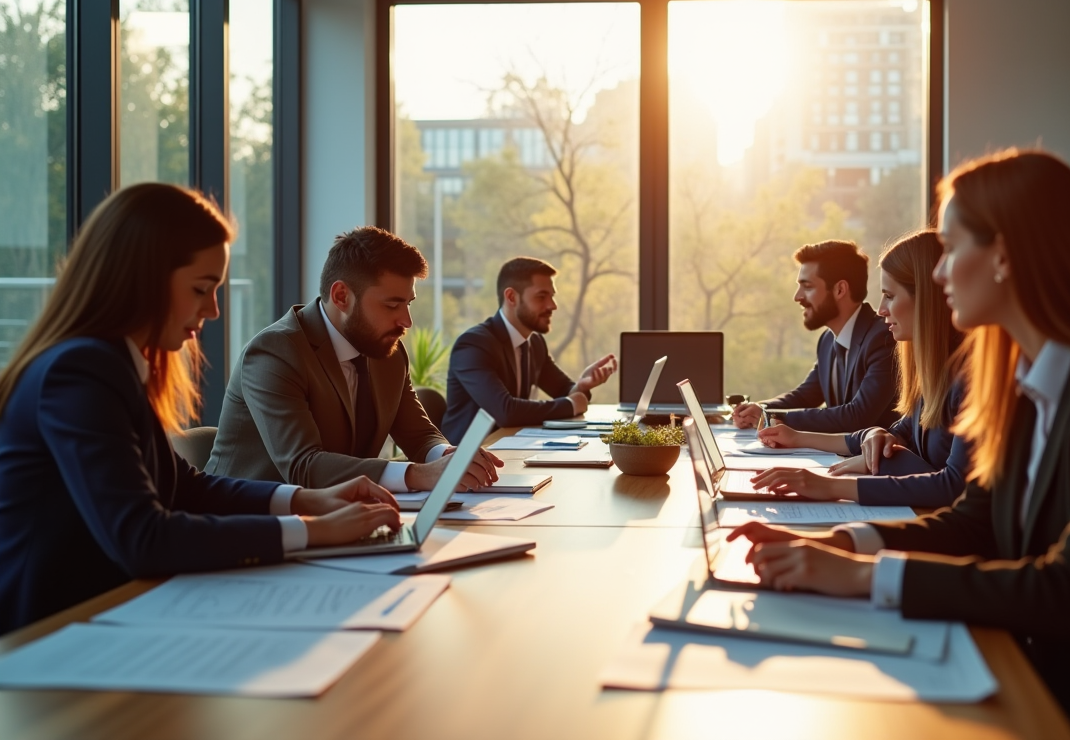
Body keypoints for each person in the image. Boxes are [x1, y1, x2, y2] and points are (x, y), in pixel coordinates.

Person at [729, 150, 1070, 739]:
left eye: (951, 249)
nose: (939, 274)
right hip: (1028, 673)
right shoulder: (1021, 383)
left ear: (1004, 256)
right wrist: (839, 544)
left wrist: (864, 577)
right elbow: (975, 523)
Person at [0, 184, 402, 634]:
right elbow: (144, 538)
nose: (213, 310)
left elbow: (184, 487)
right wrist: (314, 530)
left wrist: (307, 501)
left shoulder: (113, 364)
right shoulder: (80, 371)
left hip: (110, 613)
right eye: (201, 289)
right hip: (48, 635)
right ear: (142, 279)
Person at [208, 227, 500, 493]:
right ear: (341, 296)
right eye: (392, 305)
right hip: (249, 520)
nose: (407, 321)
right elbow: (303, 467)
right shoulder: (275, 352)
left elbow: (420, 436)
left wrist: (447, 456)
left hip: (338, 515)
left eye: (408, 303)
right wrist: (419, 475)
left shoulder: (387, 352)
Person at [752, 229, 970, 508]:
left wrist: (833, 485)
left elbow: (953, 486)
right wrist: (798, 435)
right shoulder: (932, 373)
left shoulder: (966, 377)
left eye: (889, 295)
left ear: (927, 298)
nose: (881, 309)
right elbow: (892, 431)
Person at [442, 257, 617, 444]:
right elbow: (505, 411)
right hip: (468, 454)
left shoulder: (535, 342)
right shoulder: (473, 345)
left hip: (510, 448)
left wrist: (580, 388)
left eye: (552, 296)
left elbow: (562, 389)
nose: (552, 305)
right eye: (541, 297)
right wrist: (571, 404)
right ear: (511, 297)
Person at [731, 240, 898, 433]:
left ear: (840, 290)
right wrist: (759, 409)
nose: (797, 297)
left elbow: (858, 416)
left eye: (808, 287)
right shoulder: (827, 340)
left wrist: (771, 417)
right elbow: (805, 396)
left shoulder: (884, 338)